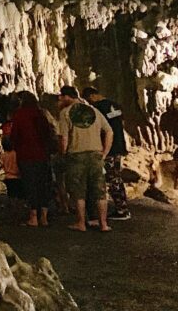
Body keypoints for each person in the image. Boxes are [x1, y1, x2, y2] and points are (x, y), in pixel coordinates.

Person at [57, 85, 113, 232]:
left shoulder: (65, 113)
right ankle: (103, 224)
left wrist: (63, 154)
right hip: (96, 154)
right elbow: (109, 131)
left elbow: (64, 137)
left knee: (78, 190)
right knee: (100, 191)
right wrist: (105, 152)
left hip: (76, 155)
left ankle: (81, 223)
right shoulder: (93, 111)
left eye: (61, 97)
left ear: (67, 97)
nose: (60, 100)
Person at [83, 86, 130, 220]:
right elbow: (121, 124)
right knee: (116, 177)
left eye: (88, 100)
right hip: (119, 144)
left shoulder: (97, 109)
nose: (89, 103)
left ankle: (121, 210)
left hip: (108, 147)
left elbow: (99, 129)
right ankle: (122, 207)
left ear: (91, 96)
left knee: (111, 178)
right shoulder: (115, 105)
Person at [10, 91, 55, 227]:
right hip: (42, 154)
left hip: (26, 155)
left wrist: (15, 147)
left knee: (30, 185)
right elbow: (48, 133)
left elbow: (15, 136)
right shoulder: (41, 114)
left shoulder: (19, 115)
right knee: (43, 184)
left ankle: (33, 216)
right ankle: (44, 217)